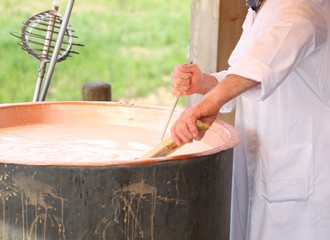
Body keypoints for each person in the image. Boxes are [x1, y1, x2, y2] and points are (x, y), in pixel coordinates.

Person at [170, 0, 330, 239]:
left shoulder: (303, 6)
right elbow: (245, 72)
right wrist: (207, 83)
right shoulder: (261, 8)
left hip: (302, 181)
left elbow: (260, 68)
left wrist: (212, 101)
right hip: (267, 165)